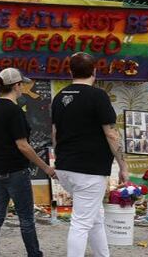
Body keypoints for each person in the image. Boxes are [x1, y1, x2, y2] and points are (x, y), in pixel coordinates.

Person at [51, 52, 128, 257]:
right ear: (95, 71)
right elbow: (111, 133)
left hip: (65, 167)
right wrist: (123, 166)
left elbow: (55, 134)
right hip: (89, 170)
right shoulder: (98, 96)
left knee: (95, 217)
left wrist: (61, 159)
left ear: (70, 72)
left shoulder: (59, 97)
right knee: (81, 223)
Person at [0, 68, 56, 257]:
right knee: (26, 218)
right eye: (21, 84)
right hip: (15, 170)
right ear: (16, 86)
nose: (23, 87)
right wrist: (46, 167)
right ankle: (34, 254)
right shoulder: (14, 111)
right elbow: (23, 145)